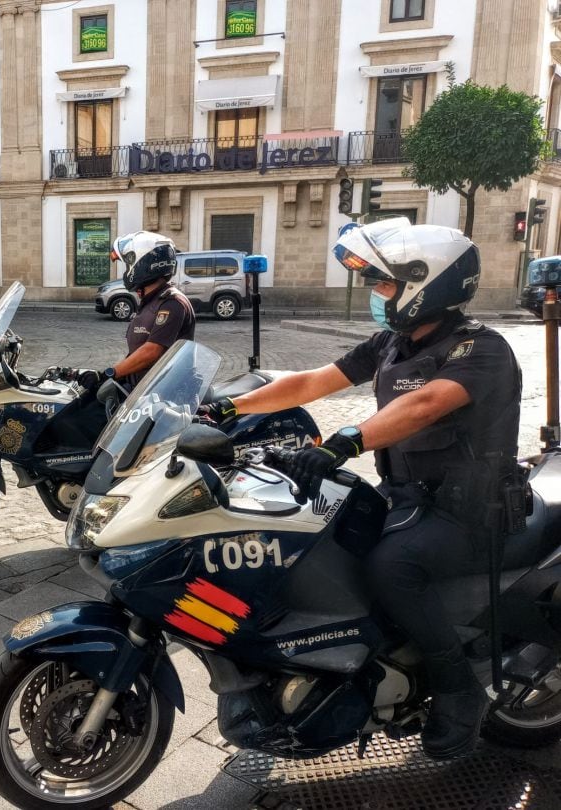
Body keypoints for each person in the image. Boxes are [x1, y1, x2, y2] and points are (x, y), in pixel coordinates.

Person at [198, 218, 522, 760]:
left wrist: (340, 444)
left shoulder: (479, 350)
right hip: (409, 499)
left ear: (430, 283)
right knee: (314, 539)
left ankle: (460, 690)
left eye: (386, 284)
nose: (377, 294)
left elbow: (422, 405)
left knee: (389, 567)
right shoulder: (391, 343)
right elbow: (309, 381)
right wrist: (229, 405)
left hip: (468, 512)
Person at [92, 231, 195, 390]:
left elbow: (151, 351)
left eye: (127, 264)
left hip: (165, 396)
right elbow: (136, 352)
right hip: (142, 392)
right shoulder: (151, 300)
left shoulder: (172, 303)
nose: (126, 271)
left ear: (141, 263)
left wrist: (109, 374)